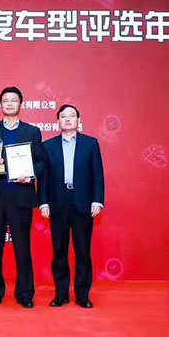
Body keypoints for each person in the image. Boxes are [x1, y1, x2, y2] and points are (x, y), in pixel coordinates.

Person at [0, 86, 45, 308]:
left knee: (22, 247)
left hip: (21, 196)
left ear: (21, 104)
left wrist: (30, 174)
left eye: (14, 100)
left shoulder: (32, 131)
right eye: (6, 100)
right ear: (1, 104)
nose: (10, 103)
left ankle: (25, 294)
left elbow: (41, 162)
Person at [39, 104, 105, 308]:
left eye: (72, 116)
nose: (67, 119)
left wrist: (97, 200)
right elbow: (43, 178)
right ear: (58, 121)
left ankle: (83, 295)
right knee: (59, 251)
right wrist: (43, 202)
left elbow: (97, 175)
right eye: (63, 116)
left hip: (83, 203)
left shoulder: (90, 144)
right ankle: (61, 294)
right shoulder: (48, 146)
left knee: (82, 251)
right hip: (57, 204)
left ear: (78, 120)